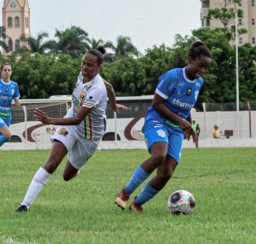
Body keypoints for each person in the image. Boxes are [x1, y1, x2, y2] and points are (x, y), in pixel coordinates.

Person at [16, 47, 127, 212]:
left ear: (98, 68)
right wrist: (114, 105)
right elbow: (110, 87)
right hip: (71, 124)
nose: (84, 67)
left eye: (89, 65)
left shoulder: (97, 89)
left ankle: (76, 167)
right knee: (52, 162)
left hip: (89, 135)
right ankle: (25, 204)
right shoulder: (83, 75)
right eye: (83, 63)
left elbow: (78, 118)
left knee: (67, 176)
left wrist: (49, 121)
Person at [115, 41, 212, 212]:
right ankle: (125, 192)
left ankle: (137, 204)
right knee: (159, 155)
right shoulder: (172, 77)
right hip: (157, 120)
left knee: (166, 173)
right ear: (190, 59)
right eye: (200, 65)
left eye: (206, 67)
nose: (202, 70)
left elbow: (186, 106)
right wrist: (181, 121)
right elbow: (157, 103)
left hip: (177, 128)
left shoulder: (199, 83)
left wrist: (188, 125)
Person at [0, 63, 20, 147]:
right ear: (1, 72)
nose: (7, 72)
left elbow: (16, 99)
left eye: (9, 70)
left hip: (7, 114)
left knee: (3, 137)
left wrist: (18, 102)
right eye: (5, 70)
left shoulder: (14, 85)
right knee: (8, 135)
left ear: (11, 72)